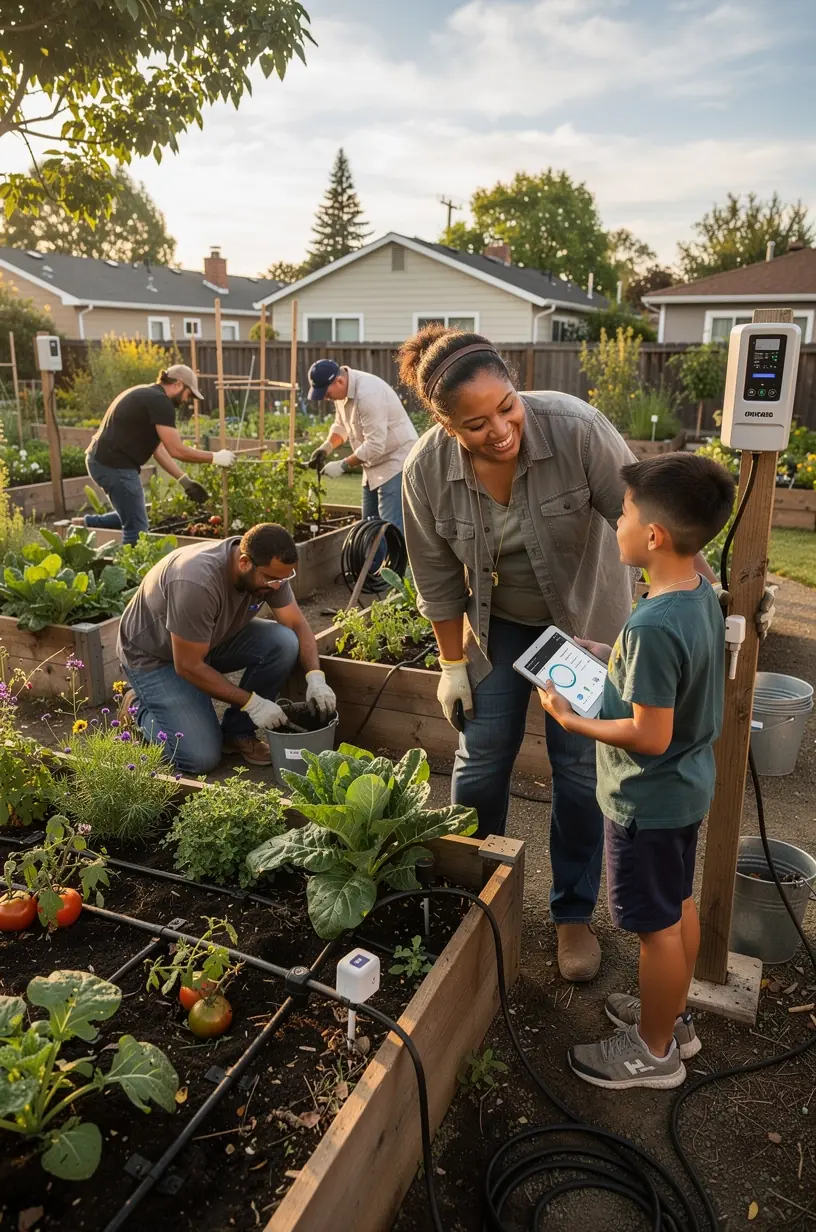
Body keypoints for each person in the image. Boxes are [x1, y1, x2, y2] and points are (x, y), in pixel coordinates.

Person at [398, 325, 725, 984]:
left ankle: (571, 914)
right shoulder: (425, 470)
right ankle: (475, 890)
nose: (499, 430)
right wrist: (451, 664)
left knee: (578, 766)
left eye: (507, 406)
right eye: (475, 423)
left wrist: (702, 600)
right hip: (500, 627)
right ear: (444, 424)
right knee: (483, 753)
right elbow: (434, 575)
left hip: (583, 619)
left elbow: (650, 519)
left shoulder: (576, 430)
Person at [539, 453, 735, 1089]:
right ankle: (674, 1021)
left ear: (653, 536)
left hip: (644, 800)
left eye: (621, 514)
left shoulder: (654, 623)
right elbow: (661, 677)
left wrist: (574, 723)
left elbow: (650, 734)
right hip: (683, 793)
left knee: (654, 931)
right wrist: (606, 654)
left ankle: (652, 1054)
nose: (615, 523)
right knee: (675, 905)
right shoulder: (698, 591)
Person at [116, 522, 337, 775]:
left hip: (208, 639)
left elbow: (297, 624)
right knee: (200, 757)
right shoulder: (196, 582)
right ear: (244, 563)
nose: (278, 586)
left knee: (284, 642)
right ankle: (137, 707)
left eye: (284, 578)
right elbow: (188, 665)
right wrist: (253, 703)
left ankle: (238, 733)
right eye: (272, 579)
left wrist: (316, 678)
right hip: (156, 656)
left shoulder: (270, 571)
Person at [79, 364, 236, 545]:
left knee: (133, 512)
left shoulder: (147, 395)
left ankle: (84, 525)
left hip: (102, 461)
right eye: (189, 394)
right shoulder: (160, 402)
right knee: (137, 530)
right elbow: (176, 450)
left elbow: (158, 449)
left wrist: (184, 481)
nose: (187, 400)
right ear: (178, 384)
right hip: (115, 465)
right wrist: (215, 458)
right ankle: (130, 572)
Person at [306, 359, 417, 535]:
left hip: (396, 461)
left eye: (327, 394)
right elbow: (341, 426)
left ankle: (397, 562)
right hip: (372, 464)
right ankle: (372, 563)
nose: (327, 399)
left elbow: (375, 445)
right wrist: (326, 448)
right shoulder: (342, 393)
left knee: (390, 528)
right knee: (367, 528)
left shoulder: (368, 394)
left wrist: (343, 465)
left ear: (339, 381)